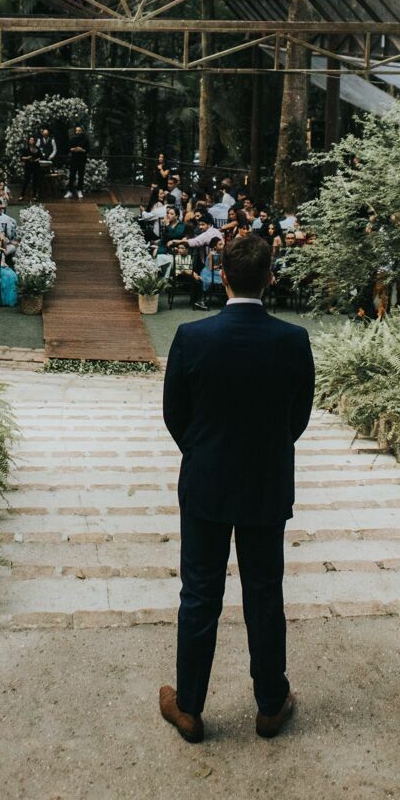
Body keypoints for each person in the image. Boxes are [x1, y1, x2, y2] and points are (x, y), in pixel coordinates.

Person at [159, 234, 315, 745]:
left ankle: (189, 707)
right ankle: (271, 705)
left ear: (220, 275)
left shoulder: (191, 336)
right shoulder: (292, 340)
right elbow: (299, 416)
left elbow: (174, 414)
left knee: (200, 594)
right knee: (265, 593)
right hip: (265, 484)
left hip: (205, 482)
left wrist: (203, 452)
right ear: (270, 277)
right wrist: (265, 450)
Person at [65, 124, 90, 198]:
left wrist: (82, 150)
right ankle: (70, 191)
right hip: (73, 159)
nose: (78, 132)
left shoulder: (86, 139)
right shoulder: (72, 139)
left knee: (81, 176)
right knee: (71, 176)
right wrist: (72, 149)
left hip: (82, 159)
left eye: (79, 131)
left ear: (82, 131)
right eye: (77, 131)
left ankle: (79, 190)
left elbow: (88, 149)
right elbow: (68, 148)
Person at [20, 136, 43, 202]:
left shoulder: (37, 149)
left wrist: (37, 159)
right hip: (28, 166)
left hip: (36, 166)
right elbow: (22, 157)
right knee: (26, 181)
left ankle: (34, 196)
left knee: (35, 181)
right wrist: (27, 158)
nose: (31, 141)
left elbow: (40, 156)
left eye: (33, 140)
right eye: (30, 140)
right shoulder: (26, 149)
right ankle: (22, 195)